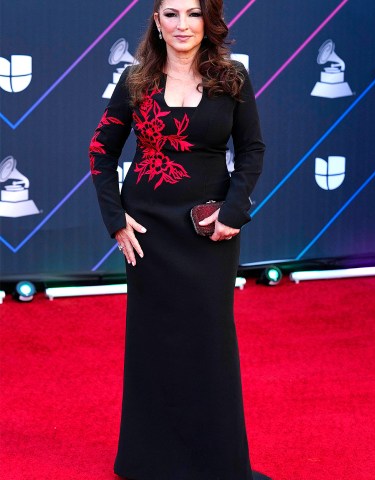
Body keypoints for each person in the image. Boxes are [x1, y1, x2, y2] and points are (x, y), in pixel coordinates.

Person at [89, 0, 265, 478]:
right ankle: (152, 461)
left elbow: (251, 148)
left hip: (209, 230)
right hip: (149, 233)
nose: (182, 24)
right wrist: (116, 219)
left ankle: (217, 463)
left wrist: (234, 211)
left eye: (193, 13)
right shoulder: (135, 82)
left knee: (210, 343)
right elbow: (101, 152)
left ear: (208, 20)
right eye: (171, 13)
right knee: (154, 344)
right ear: (157, 21)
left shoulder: (231, 78)